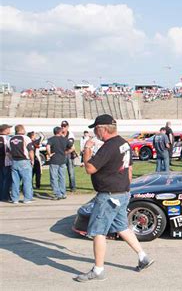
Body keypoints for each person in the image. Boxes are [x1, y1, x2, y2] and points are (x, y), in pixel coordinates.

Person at [75, 114, 153, 282]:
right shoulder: (124, 143)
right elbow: (129, 169)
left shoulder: (109, 146)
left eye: (95, 129)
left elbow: (89, 168)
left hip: (109, 195)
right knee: (122, 227)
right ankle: (143, 256)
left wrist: (87, 148)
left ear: (102, 129)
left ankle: (98, 270)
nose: (95, 132)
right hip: (122, 192)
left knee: (98, 232)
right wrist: (125, 187)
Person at [8, 124, 35, 204]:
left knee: (15, 181)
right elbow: (30, 150)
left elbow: (9, 152)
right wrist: (32, 160)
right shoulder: (26, 138)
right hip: (24, 161)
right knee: (27, 180)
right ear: (22, 130)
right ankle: (27, 198)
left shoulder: (11, 139)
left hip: (14, 161)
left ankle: (15, 198)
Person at [47, 127, 72, 200]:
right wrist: (66, 152)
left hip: (54, 160)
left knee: (54, 177)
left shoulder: (51, 139)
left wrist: (49, 154)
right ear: (60, 132)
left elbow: (48, 146)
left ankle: (57, 194)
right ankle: (63, 193)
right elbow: (72, 147)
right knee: (62, 177)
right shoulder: (65, 139)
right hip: (62, 160)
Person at [61, 120, 77, 192]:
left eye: (64, 126)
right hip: (62, 155)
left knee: (71, 171)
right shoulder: (60, 134)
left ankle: (73, 186)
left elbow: (70, 145)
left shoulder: (70, 134)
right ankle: (62, 186)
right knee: (62, 172)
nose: (63, 128)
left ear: (67, 127)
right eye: (62, 126)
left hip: (69, 154)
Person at [0, 124, 13, 202]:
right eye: (8, 128)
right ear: (5, 130)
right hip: (6, 161)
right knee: (6, 180)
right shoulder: (7, 139)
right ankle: (5, 196)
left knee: (1, 179)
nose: (10, 130)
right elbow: (9, 150)